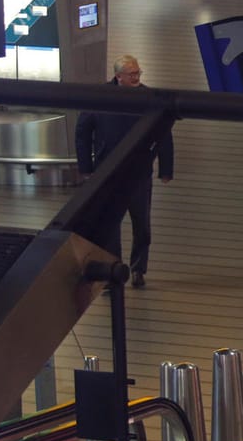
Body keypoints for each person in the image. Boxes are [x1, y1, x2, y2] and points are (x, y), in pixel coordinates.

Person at [75, 55, 174, 290]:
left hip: (139, 172)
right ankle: (112, 270)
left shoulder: (150, 98)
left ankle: (139, 268)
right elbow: (83, 133)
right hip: (108, 172)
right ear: (118, 76)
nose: (137, 77)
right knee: (110, 224)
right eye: (132, 74)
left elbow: (164, 134)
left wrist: (166, 168)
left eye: (139, 73)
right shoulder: (100, 98)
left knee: (142, 224)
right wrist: (86, 168)